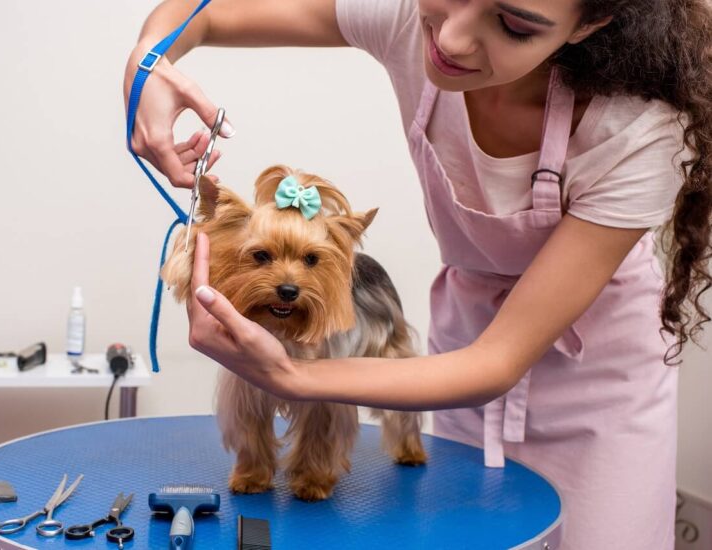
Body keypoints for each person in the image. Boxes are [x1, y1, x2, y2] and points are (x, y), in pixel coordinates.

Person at [124, 0, 712, 547]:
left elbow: (497, 362)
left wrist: (293, 375)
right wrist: (148, 62)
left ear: (590, 22)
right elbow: (206, 12)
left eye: (514, 25)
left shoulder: (640, 128)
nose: (452, 37)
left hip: (598, 386)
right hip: (452, 361)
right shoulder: (408, 14)